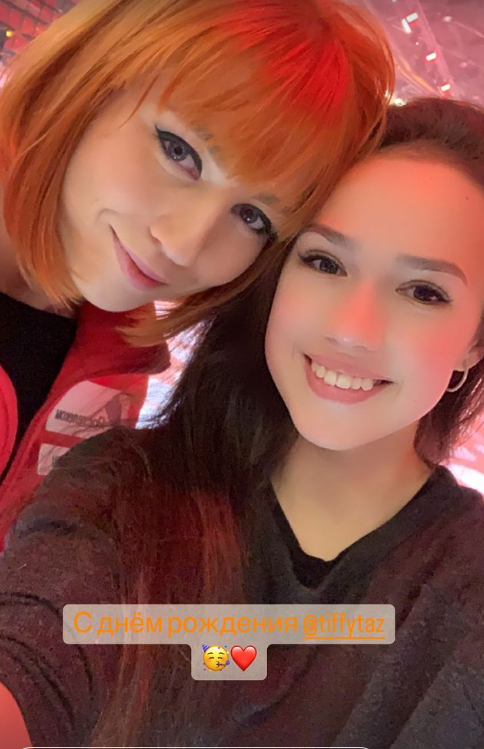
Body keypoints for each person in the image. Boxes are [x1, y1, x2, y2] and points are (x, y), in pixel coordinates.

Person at [5, 94, 484, 749]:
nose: (352, 329)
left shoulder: (465, 597)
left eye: (424, 292)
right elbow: (37, 658)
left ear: (473, 343)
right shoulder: (119, 496)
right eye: (324, 262)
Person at [0, 0, 394, 507]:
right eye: (179, 152)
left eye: (252, 217)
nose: (184, 245)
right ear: (85, 80)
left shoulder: (112, 373)